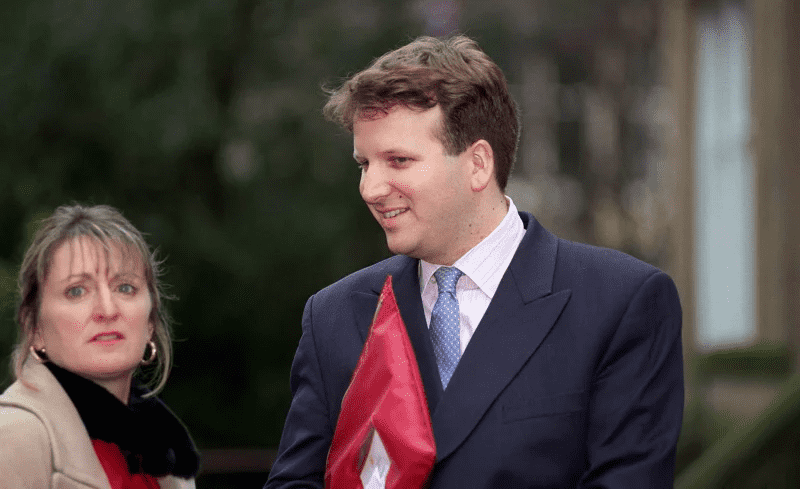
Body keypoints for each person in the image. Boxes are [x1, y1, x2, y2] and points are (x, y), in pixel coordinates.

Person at [265, 35, 683, 488]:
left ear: (478, 164)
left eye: (398, 161)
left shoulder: (620, 304)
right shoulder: (333, 317)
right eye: (364, 163)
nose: (370, 188)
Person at [0, 204, 199, 488]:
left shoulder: (169, 455)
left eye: (125, 288)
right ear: (35, 329)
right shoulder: (13, 438)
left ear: (150, 323)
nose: (107, 309)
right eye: (77, 291)